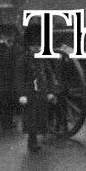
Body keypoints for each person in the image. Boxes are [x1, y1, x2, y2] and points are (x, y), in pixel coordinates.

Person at [13, 22, 55, 152]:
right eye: (34, 46)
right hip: (29, 93)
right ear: (29, 46)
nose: (37, 48)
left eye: (39, 45)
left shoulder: (42, 58)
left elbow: (49, 74)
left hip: (41, 92)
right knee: (31, 118)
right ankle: (32, 142)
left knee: (40, 117)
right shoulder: (23, 59)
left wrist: (50, 91)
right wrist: (21, 95)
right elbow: (19, 78)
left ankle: (36, 139)